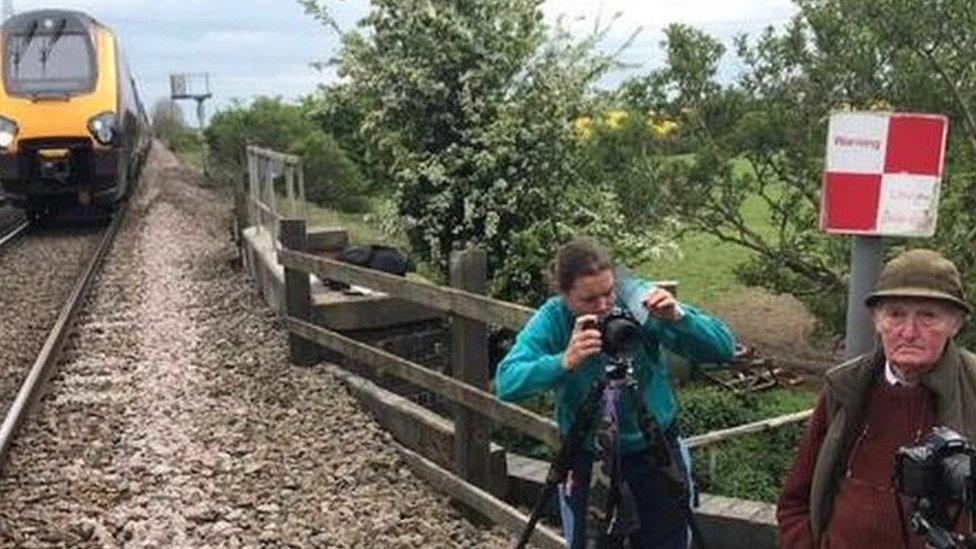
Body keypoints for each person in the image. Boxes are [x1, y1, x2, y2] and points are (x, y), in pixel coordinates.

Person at [494, 238, 736, 549]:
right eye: (588, 299)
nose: (604, 306)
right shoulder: (553, 319)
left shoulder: (636, 302)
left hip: (655, 450)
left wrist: (679, 318)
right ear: (564, 295)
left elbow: (722, 348)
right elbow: (507, 383)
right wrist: (562, 361)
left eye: (608, 293)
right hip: (590, 456)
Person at [777, 248, 976, 548]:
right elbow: (795, 499)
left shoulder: (972, 386)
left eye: (928, 317)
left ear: (955, 324)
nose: (909, 332)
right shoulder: (845, 386)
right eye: (895, 315)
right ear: (876, 320)